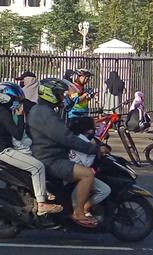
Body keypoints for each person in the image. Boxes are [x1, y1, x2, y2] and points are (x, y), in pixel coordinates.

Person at [28, 77, 110, 228]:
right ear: (49, 94)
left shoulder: (43, 110)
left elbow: (65, 132)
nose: (62, 97)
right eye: (59, 94)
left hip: (52, 154)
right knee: (87, 174)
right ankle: (78, 212)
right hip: (51, 159)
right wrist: (94, 149)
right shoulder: (45, 113)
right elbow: (66, 138)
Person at [0, 82, 61, 215]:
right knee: (38, 166)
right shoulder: (4, 113)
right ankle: (42, 204)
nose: (18, 103)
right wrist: (20, 115)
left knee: (31, 158)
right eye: (16, 100)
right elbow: (18, 134)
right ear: (5, 98)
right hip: (1, 150)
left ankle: (41, 190)